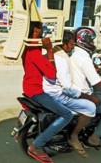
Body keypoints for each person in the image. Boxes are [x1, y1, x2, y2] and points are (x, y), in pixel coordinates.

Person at [22, 21, 74, 163]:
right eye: (41, 29)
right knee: (67, 114)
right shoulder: (35, 52)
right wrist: (50, 50)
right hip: (37, 92)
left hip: (27, 87)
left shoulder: (26, 48)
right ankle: (36, 146)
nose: (44, 32)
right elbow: (51, 75)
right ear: (36, 31)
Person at [43, 30, 100, 158]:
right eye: (71, 45)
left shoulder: (53, 54)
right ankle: (73, 136)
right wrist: (88, 97)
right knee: (90, 107)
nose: (73, 47)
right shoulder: (61, 59)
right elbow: (68, 88)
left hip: (47, 91)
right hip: (57, 94)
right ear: (64, 45)